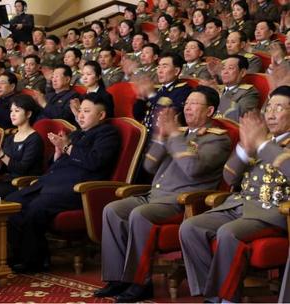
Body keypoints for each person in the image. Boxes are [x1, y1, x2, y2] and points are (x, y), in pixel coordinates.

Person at [94, 86, 231, 302]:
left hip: (181, 201)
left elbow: (192, 169)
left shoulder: (218, 139)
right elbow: (149, 165)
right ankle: (118, 278)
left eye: (194, 103)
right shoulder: (180, 133)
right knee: (112, 209)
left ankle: (141, 282)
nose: (187, 107)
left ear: (210, 111)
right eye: (186, 103)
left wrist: (175, 135)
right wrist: (160, 137)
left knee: (140, 214)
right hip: (155, 195)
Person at [180, 85, 290, 303]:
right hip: (238, 205)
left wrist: (263, 144)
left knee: (228, 233)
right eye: (269, 107)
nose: (271, 113)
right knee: (191, 227)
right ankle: (211, 295)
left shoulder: (265, 141)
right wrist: (244, 150)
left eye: (279, 108)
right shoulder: (257, 138)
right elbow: (230, 178)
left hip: (272, 212)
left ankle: (227, 298)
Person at [6, 92, 121, 273]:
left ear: (101, 115)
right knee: (11, 203)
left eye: (87, 111)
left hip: (75, 189)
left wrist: (67, 147)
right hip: (50, 183)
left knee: (36, 209)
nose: (81, 115)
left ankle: (35, 261)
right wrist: (58, 154)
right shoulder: (76, 135)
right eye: (80, 111)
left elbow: (94, 161)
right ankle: (18, 256)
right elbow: (59, 164)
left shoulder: (107, 134)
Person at [215, 55, 260, 122]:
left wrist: (220, 97)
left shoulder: (249, 92)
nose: (225, 72)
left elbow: (240, 116)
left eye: (230, 68)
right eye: (223, 68)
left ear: (242, 72)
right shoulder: (218, 89)